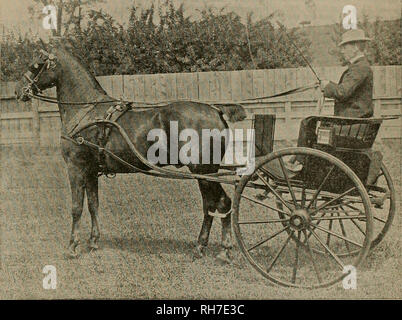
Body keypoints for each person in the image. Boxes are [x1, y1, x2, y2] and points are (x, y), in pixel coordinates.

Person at [286, 28, 373, 172]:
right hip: (355, 122)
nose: (342, 51)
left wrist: (327, 85)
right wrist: (328, 84)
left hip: (352, 123)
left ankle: (301, 162)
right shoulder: (360, 67)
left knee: (308, 122)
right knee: (314, 123)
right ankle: (302, 160)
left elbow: (342, 92)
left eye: (345, 47)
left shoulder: (359, 68)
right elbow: (345, 89)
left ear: (356, 47)